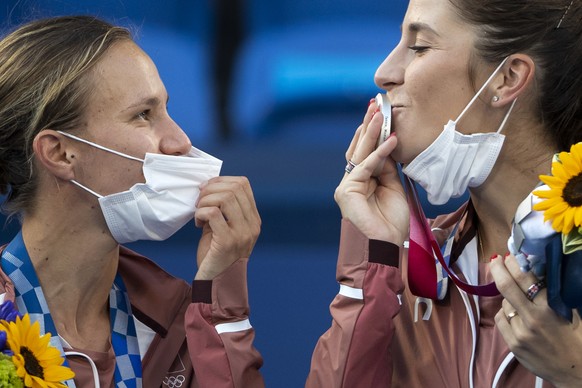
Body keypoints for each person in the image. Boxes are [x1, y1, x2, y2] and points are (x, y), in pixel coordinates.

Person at [307, 0, 582, 387]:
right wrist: (370, 263)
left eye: (418, 47)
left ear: (507, 78)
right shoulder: (407, 266)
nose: (383, 73)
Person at [0, 16, 265, 387]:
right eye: (143, 115)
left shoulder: (181, 319)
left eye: (166, 110)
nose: (181, 141)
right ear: (59, 153)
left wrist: (222, 299)